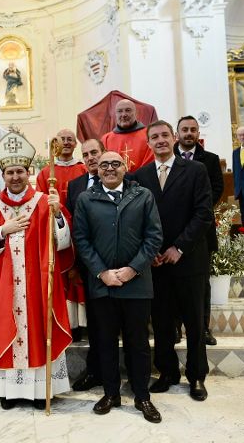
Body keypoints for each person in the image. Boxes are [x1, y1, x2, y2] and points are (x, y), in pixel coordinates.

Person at [0, 132, 73, 410]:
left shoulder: (45, 201)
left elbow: (63, 243)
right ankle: (8, 390)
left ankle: (39, 391)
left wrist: (57, 215)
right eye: (9, 172)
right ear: (3, 175)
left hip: (38, 282)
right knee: (6, 327)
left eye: (19, 171)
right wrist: (1, 232)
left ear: (28, 172)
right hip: (3, 284)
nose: (15, 177)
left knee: (39, 330)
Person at [72, 151, 163, 423]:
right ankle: (111, 393)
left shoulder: (143, 196)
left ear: (125, 167)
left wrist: (132, 269)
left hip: (136, 285)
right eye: (104, 165)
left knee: (138, 344)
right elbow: (81, 239)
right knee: (106, 342)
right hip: (103, 286)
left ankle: (142, 396)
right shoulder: (86, 199)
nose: (109, 168)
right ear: (97, 170)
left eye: (115, 164)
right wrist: (102, 273)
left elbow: (154, 236)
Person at [133, 121, 213, 402]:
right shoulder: (140, 176)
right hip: (156, 263)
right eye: (154, 137)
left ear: (175, 137)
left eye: (165, 135)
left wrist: (179, 247)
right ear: (148, 143)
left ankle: (197, 376)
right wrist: (150, 251)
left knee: (193, 322)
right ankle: (167, 372)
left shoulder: (196, 170)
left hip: (189, 259)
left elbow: (203, 214)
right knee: (163, 321)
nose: (161, 140)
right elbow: (137, 219)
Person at [174, 116, 224, 346]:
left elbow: (216, 190)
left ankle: (203, 328)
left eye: (193, 129)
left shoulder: (210, 160)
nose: (189, 133)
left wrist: (194, 212)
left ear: (198, 133)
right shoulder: (166, 158)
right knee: (171, 283)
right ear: (177, 133)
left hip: (201, 231)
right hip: (172, 232)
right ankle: (174, 328)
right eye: (184, 129)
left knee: (201, 284)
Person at [36, 129, 87, 334]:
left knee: (78, 276)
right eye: (61, 139)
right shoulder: (46, 173)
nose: (65, 142)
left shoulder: (83, 169)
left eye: (69, 139)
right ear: (54, 144)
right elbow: (40, 201)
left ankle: (80, 325)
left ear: (76, 144)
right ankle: (61, 322)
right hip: (56, 230)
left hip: (80, 228)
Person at [66, 138, 105, 392]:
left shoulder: (123, 180)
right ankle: (96, 371)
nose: (91, 157)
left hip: (118, 264)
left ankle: (125, 372)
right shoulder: (75, 185)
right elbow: (73, 227)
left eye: (95, 152)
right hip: (88, 265)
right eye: (86, 154)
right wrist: (74, 264)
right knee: (95, 323)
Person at [101, 99, 154, 172]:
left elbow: (151, 162)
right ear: (115, 114)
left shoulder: (149, 134)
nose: (124, 115)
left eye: (128, 110)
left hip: (143, 180)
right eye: (120, 111)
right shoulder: (106, 139)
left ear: (136, 113)